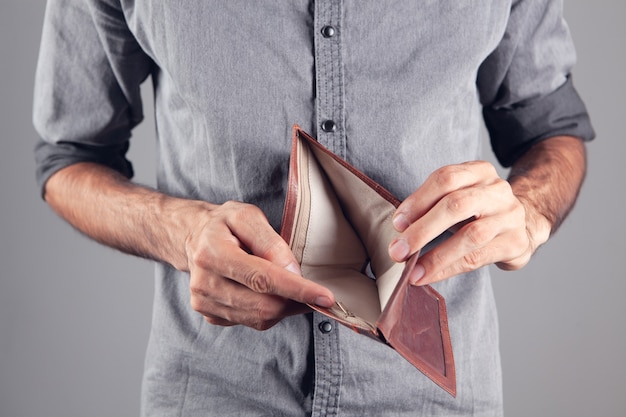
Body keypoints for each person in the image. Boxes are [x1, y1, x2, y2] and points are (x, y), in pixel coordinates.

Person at [33, 1, 594, 415]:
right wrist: (180, 232)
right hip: (217, 390)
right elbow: (68, 158)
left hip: (432, 399)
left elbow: (552, 130)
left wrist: (528, 210)